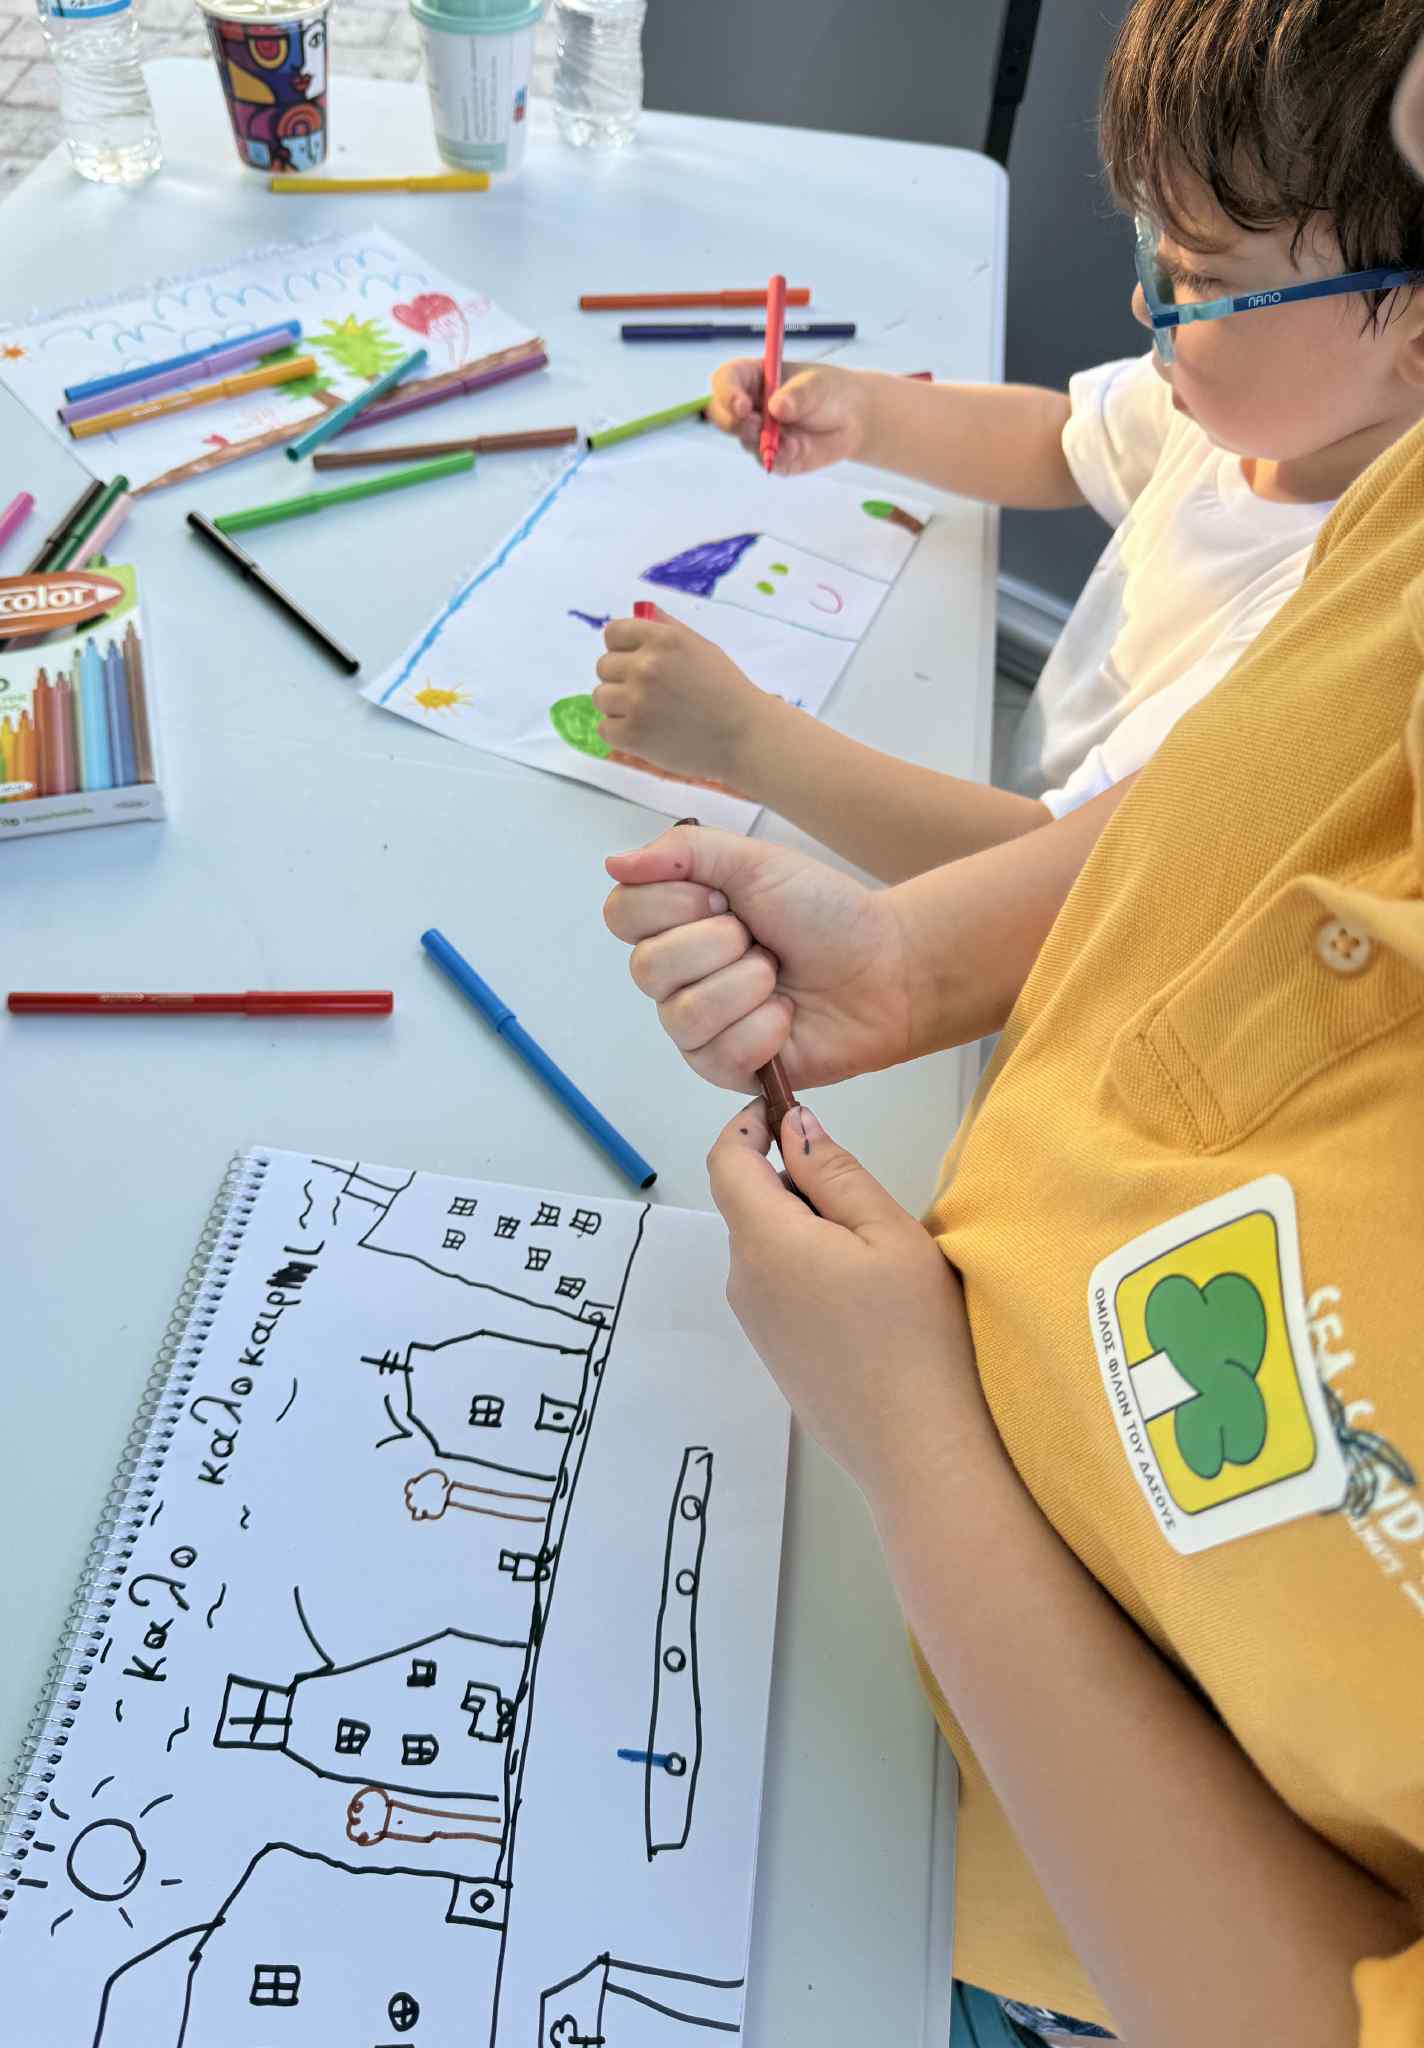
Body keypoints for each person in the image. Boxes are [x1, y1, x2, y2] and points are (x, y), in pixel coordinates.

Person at [600, 0, 1424, 2040]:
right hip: (869, 1559)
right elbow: (1217, 816)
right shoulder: (1383, 519)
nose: (1156, 310)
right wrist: (921, 958)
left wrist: (913, 1438)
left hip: (1020, 1932)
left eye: (1202, 275)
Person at [591, 0, 1424, 887]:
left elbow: (1042, 886)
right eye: (1155, 250)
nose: (1145, 302)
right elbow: (1062, 442)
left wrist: (743, 739)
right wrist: (865, 412)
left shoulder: (1325, 627)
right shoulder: (1263, 418)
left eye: (1200, 277)